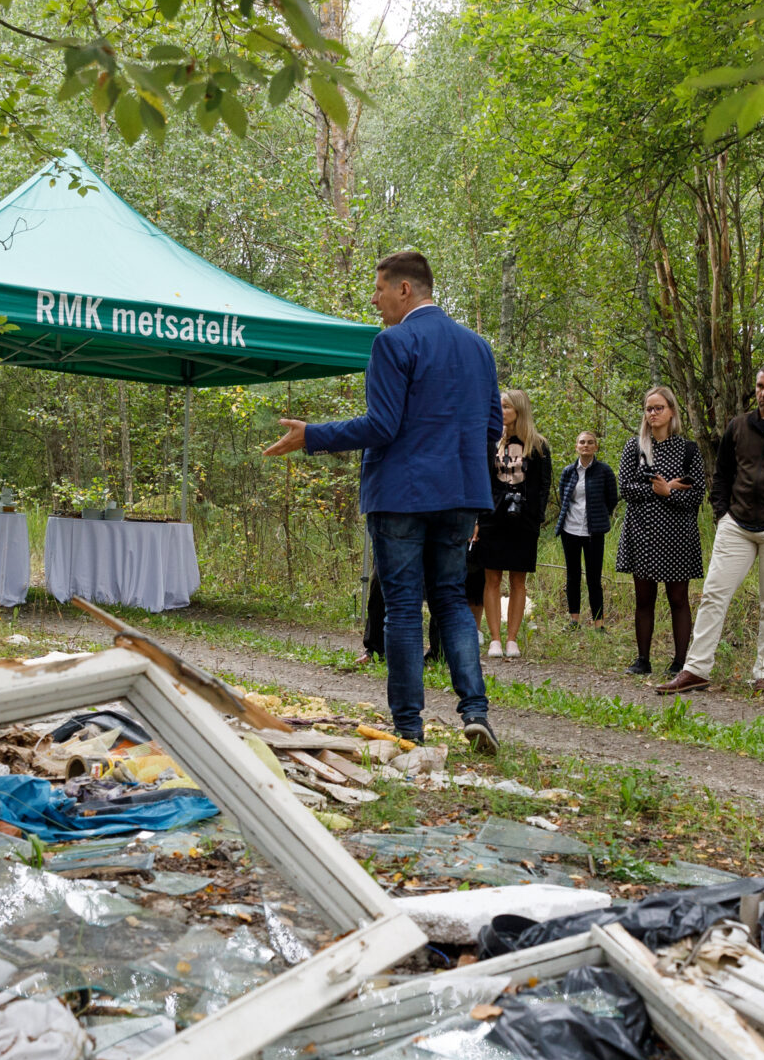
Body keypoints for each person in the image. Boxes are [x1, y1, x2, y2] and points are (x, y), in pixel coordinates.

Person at [264, 249, 500, 753]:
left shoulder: (393, 342)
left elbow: (383, 425)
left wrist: (314, 435)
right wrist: (471, 494)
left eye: (378, 290)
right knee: (452, 598)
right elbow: (493, 429)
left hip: (402, 494)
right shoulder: (479, 348)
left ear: (405, 290)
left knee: (402, 608)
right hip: (461, 494)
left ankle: (409, 726)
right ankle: (475, 712)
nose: (374, 301)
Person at [658, 363, 764, 698]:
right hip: (736, 525)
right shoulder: (739, 426)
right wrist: (722, 514)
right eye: (761, 386)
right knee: (714, 594)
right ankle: (696, 669)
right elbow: (721, 474)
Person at [615, 385, 707, 677]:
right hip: (641, 532)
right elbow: (626, 489)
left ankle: (680, 663)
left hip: (678, 534)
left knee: (678, 599)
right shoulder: (636, 447)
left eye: (659, 408)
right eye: (648, 408)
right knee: (644, 599)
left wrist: (668, 492)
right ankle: (643, 660)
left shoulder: (688, 449)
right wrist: (660, 488)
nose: (653, 413)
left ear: (671, 411)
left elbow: (696, 495)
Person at [474, 388, 552, 659]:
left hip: (523, 521)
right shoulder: (491, 442)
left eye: (506, 406)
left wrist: (535, 517)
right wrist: (478, 519)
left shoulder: (538, 445)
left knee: (518, 580)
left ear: (519, 409)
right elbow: (481, 481)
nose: (501, 410)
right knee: (491, 578)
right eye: (499, 406)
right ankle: (495, 639)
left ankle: (512, 640)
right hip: (492, 517)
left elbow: (543, 486)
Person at [555, 430, 617, 631]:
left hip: (594, 532)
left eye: (590, 442)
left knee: (594, 578)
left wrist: (599, 516)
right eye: (582, 442)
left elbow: (612, 499)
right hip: (570, 531)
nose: (586, 445)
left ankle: (599, 624)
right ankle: (574, 621)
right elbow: (564, 498)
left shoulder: (604, 471)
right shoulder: (568, 471)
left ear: (596, 447)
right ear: (576, 446)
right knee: (572, 576)